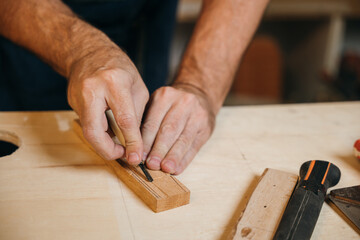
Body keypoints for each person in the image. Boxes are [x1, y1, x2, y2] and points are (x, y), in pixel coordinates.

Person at [0, 0, 269, 175]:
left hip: (142, 17)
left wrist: (199, 84)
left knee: (141, 132)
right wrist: (82, 49)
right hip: (25, 32)